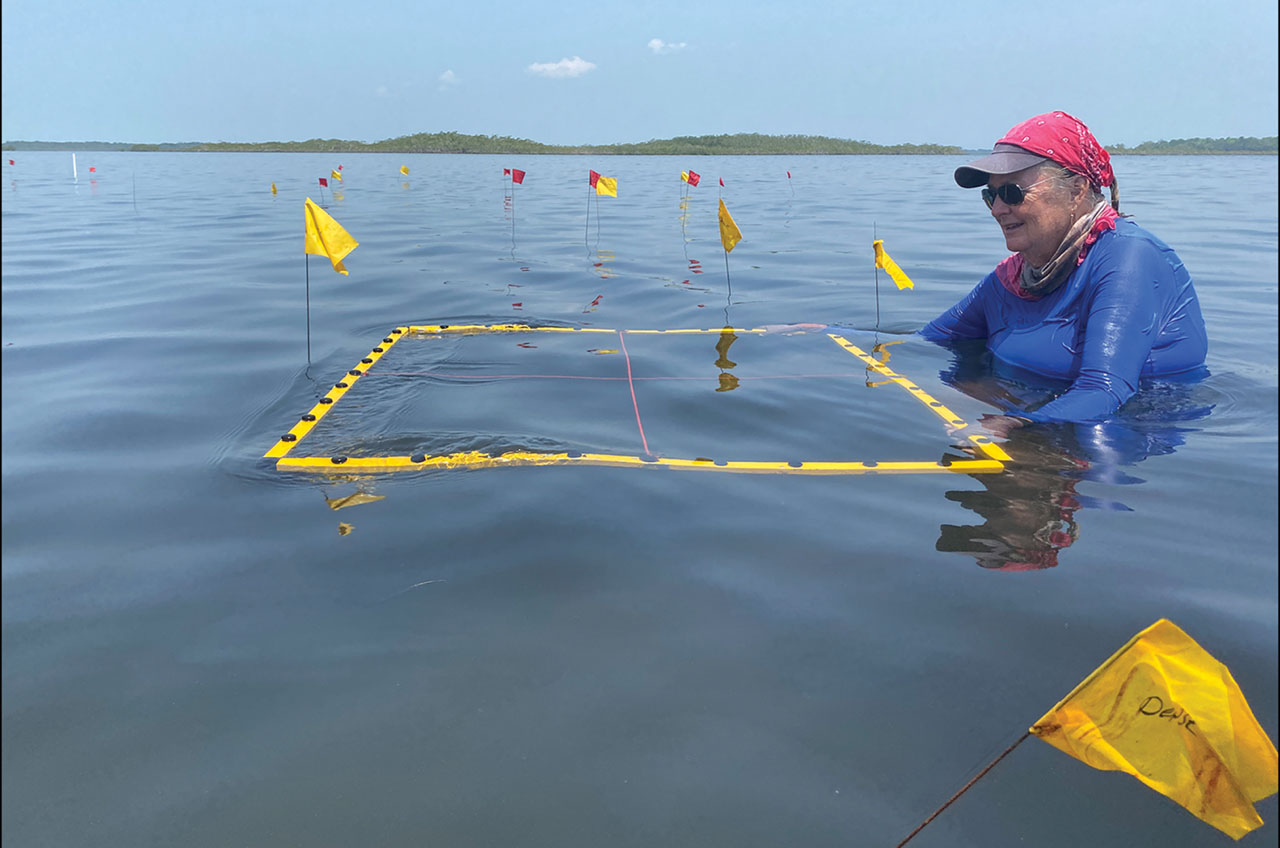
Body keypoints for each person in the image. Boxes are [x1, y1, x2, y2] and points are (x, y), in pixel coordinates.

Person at [920, 111, 1208, 425]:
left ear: (1076, 190)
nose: (999, 209)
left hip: (1120, 433)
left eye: (1012, 193)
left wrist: (1018, 428)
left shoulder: (1129, 259)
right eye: (991, 196)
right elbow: (928, 340)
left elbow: (1105, 390)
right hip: (1031, 411)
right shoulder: (1013, 277)